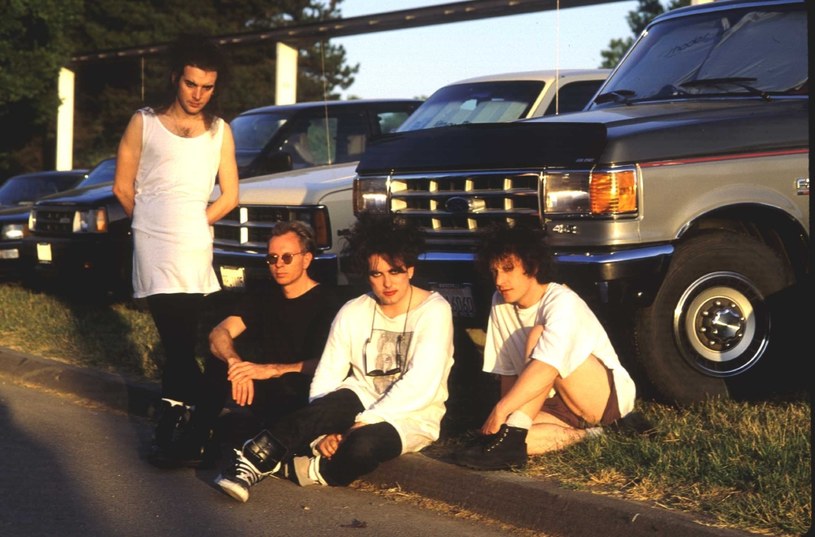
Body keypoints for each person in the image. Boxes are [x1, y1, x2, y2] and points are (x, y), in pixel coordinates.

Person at [213, 215, 455, 502]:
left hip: (411, 413)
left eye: (395, 271)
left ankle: (304, 469)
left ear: (410, 271)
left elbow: (421, 383)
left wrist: (355, 427)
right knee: (325, 407)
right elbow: (327, 377)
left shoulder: (434, 310)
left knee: (361, 448)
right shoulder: (354, 310)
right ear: (367, 275)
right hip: (361, 397)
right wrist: (319, 436)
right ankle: (252, 461)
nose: (387, 282)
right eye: (377, 274)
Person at [112, 34, 239, 462]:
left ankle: (177, 424)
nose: (198, 94)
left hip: (192, 245)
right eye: (191, 84)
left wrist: (191, 222)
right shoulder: (143, 122)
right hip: (152, 242)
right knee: (176, 334)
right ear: (175, 78)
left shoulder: (220, 131)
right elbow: (122, 187)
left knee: (180, 339)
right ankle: (201, 418)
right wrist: (151, 221)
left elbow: (229, 196)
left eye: (207, 87)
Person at [148, 221, 340, 469]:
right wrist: (235, 363)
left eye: (287, 257)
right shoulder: (265, 295)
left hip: (305, 393)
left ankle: (239, 437)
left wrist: (272, 369)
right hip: (267, 388)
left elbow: (331, 366)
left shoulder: (329, 303)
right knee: (219, 360)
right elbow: (219, 332)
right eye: (272, 258)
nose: (278, 264)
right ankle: (195, 441)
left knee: (246, 426)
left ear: (306, 259)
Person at [452, 223, 636, 471]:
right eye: (494, 271)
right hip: (554, 402)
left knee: (538, 336)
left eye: (508, 269)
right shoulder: (500, 303)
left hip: (601, 398)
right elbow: (508, 372)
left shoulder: (561, 301)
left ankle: (612, 424)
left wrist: (502, 410)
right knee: (513, 441)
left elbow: (547, 368)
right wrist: (504, 424)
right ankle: (594, 436)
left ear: (532, 266)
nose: (500, 280)